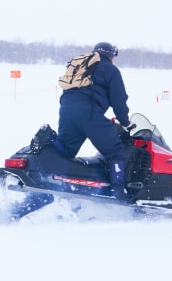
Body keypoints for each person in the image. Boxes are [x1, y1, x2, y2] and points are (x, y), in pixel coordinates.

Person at [53, 42, 131, 199]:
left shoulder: (82, 66)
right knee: (115, 151)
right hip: (89, 113)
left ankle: (49, 170)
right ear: (110, 56)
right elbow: (118, 100)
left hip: (66, 110)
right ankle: (118, 191)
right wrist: (125, 122)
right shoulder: (110, 69)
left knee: (65, 151)